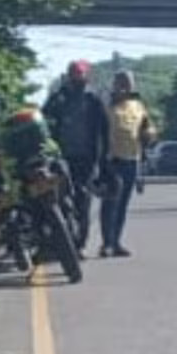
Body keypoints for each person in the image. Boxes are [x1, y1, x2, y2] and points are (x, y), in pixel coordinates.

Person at [42, 59, 110, 253]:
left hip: (86, 158)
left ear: (86, 77)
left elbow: (104, 131)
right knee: (58, 198)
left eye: (79, 75)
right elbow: (43, 120)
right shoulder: (58, 98)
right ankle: (59, 240)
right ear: (68, 76)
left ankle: (80, 243)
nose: (76, 78)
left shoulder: (94, 100)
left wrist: (104, 161)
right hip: (60, 157)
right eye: (73, 74)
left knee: (83, 199)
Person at [99, 70, 155, 257]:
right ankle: (106, 243)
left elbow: (147, 127)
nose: (124, 86)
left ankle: (116, 242)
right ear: (114, 84)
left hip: (132, 160)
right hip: (112, 160)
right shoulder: (106, 103)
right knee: (110, 203)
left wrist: (149, 134)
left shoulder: (138, 106)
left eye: (128, 83)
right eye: (120, 82)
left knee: (122, 205)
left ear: (132, 85)